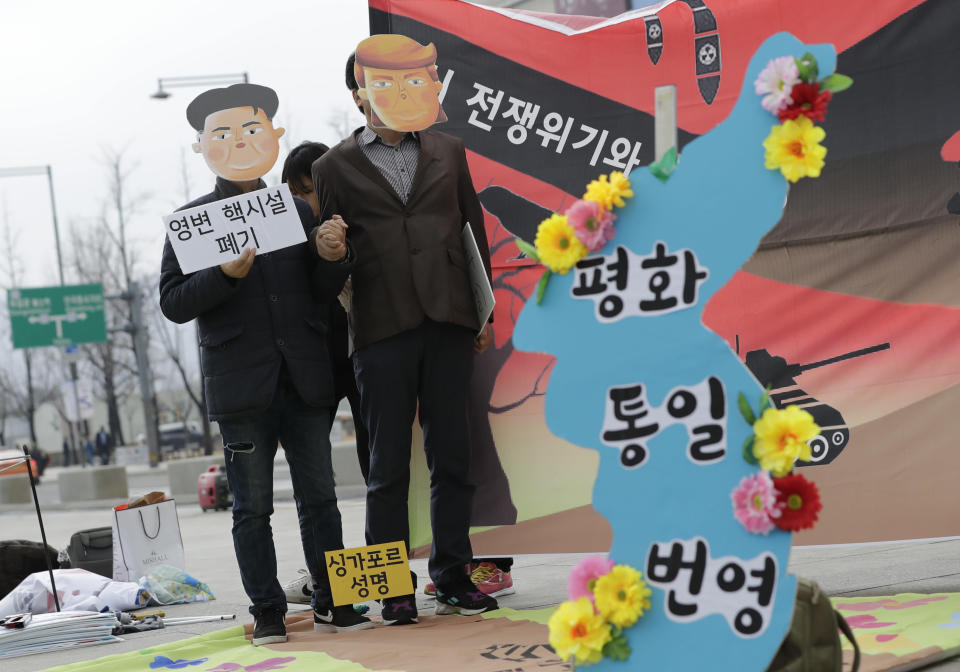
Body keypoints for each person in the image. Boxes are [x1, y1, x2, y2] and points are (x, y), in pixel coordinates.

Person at [159, 82, 371, 646]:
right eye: (223, 135)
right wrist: (224, 276)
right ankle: (268, 609)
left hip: (303, 379)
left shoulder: (294, 211)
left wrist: (332, 255)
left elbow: (323, 292)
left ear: (272, 138)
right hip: (242, 388)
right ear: (203, 145)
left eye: (251, 131)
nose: (238, 144)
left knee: (320, 498)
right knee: (251, 509)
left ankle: (334, 599)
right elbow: (173, 302)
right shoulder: (193, 223)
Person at [309, 41, 497, 626]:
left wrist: (483, 310)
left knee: (454, 458)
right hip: (381, 327)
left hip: (448, 318)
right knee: (387, 466)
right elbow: (329, 262)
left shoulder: (449, 149)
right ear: (360, 92)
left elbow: (473, 231)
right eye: (383, 82)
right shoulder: (332, 167)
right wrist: (329, 251)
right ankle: (393, 586)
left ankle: (452, 575)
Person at [279, 141, 371, 606]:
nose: (309, 203)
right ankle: (325, 576)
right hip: (309, 369)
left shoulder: (357, 224)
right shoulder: (285, 239)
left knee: (380, 468)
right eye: (297, 193)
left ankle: (384, 571)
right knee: (315, 485)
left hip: (362, 358)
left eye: (314, 191)